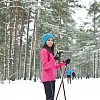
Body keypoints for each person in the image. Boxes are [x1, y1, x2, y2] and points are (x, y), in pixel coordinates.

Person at [39, 33, 71, 100]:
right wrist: (54, 59)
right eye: (48, 40)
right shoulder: (44, 51)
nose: (51, 42)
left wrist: (64, 63)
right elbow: (45, 66)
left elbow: (54, 67)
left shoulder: (50, 51)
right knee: (50, 98)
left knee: (51, 98)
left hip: (51, 78)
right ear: (45, 41)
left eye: (52, 40)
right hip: (47, 78)